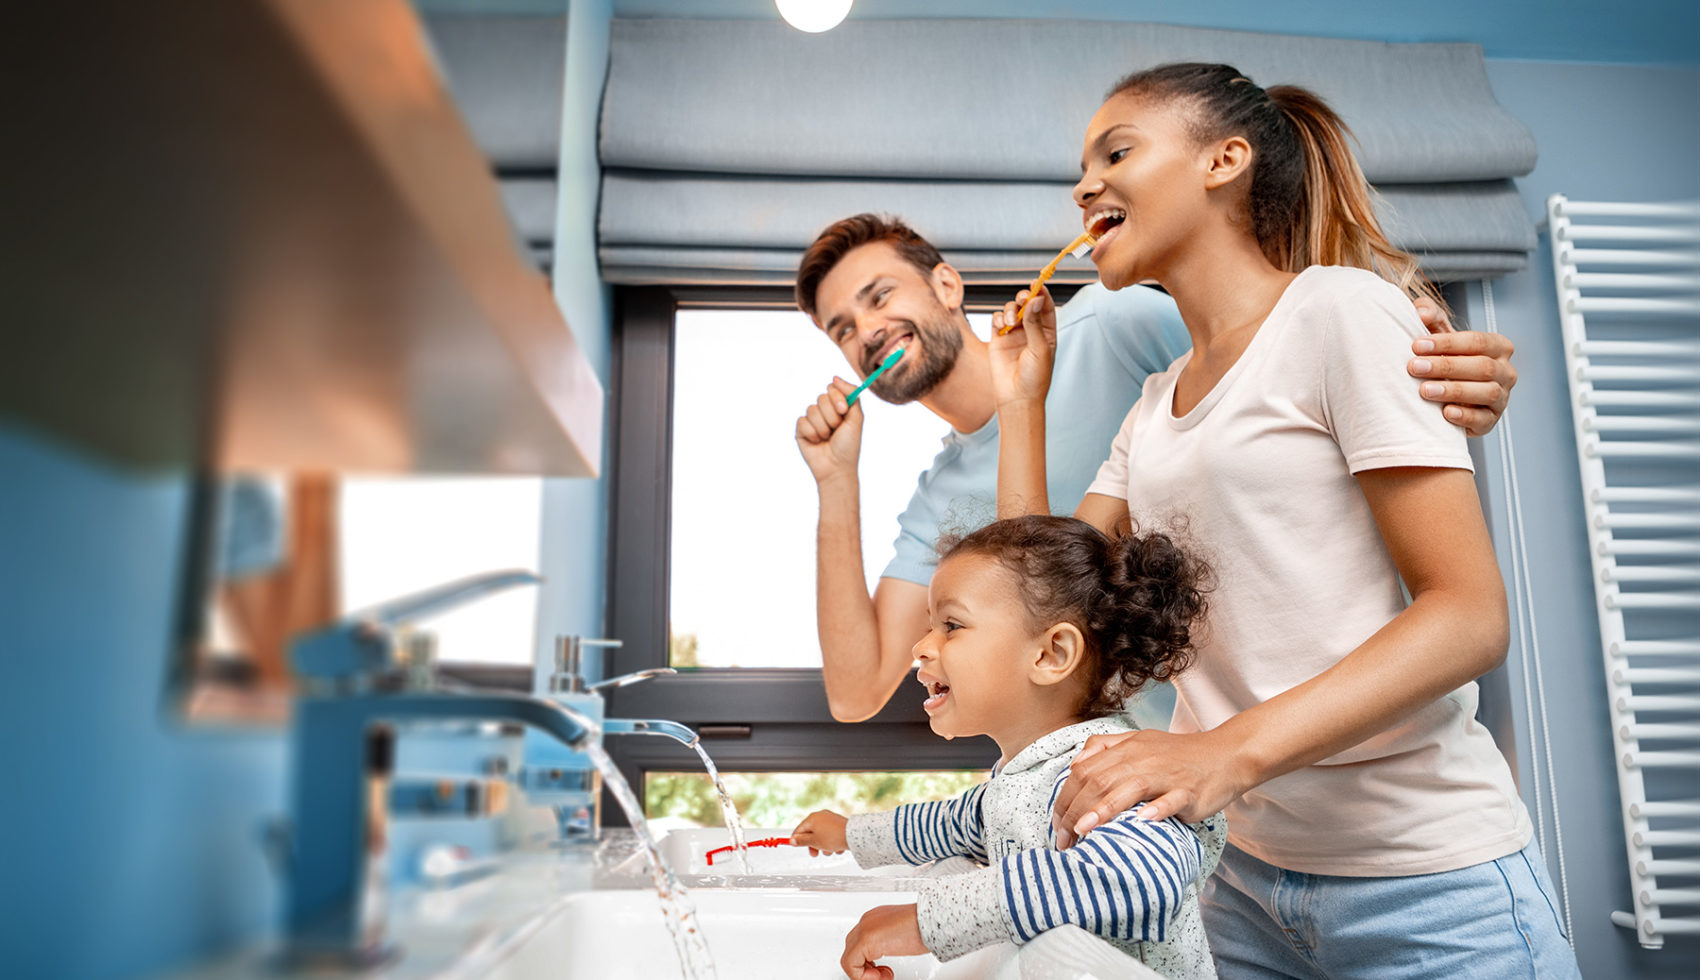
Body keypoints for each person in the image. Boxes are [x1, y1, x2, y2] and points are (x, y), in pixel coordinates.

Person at [989, 63, 1579, 978]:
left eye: (1117, 152)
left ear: (1225, 161)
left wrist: (1221, 752)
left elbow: (1469, 616)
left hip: (1429, 885)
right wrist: (1021, 401)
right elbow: (1039, 610)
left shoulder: (1341, 315)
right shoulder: (1152, 410)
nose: (1084, 185)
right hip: (1246, 885)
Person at [793, 215, 1519, 730]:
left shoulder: (1113, 323)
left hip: (1337, 723)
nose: (867, 331)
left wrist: (1403, 340)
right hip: (1180, 774)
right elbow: (857, 692)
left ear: (947, 286)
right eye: (843, 330)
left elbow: (1288, 353)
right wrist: (835, 483)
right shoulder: (938, 502)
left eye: (879, 296)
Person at [790, 515, 1224, 980]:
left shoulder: (1109, 775)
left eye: (952, 625)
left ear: (1050, 655)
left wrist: (925, 923)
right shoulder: (1027, 775)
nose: (921, 646)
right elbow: (948, 825)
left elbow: (1136, 878)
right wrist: (852, 834)